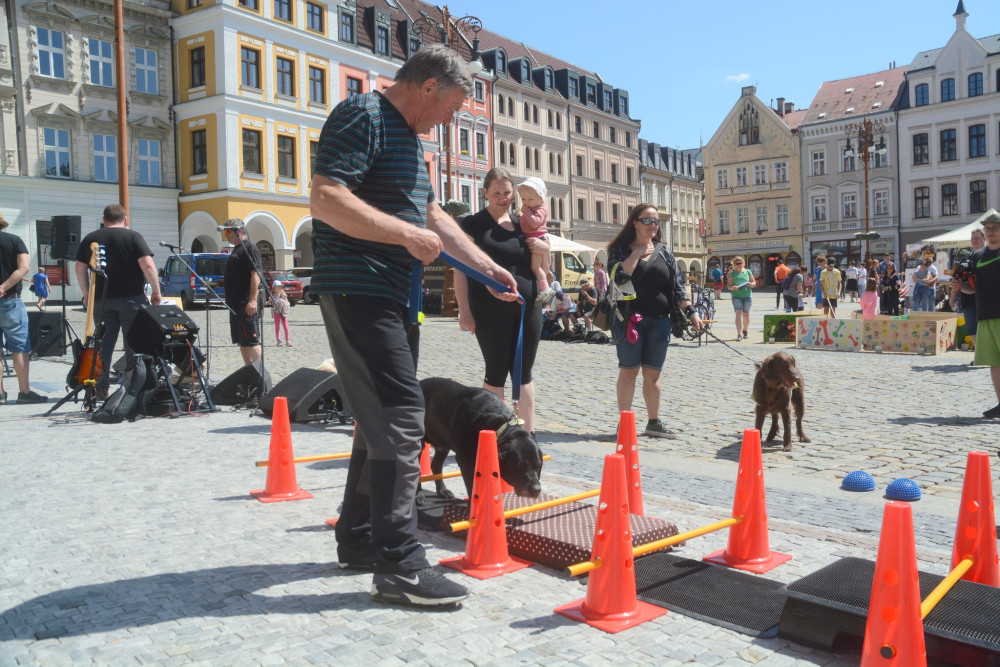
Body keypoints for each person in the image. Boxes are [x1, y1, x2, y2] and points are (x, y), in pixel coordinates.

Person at [309, 45, 518, 607]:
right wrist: (403, 235)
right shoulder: (363, 115)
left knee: (380, 419)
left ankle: (358, 539)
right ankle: (399, 564)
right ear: (427, 87)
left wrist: (485, 266)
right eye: (451, 108)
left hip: (394, 294)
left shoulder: (408, 137)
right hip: (358, 287)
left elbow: (430, 215)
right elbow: (326, 198)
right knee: (404, 416)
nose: (450, 121)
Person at [455, 166, 546, 430]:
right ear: (485, 193)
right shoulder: (473, 224)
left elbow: (542, 265)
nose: (502, 198)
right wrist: (464, 311)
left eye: (507, 193)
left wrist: (545, 248)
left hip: (527, 307)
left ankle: (527, 435)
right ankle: (493, 435)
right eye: (496, 193)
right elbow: (460, 270)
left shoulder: (522, 223)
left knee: (524, 372)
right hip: (488, 309)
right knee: (495, 371)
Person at [607, 203, 702, 439]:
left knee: (653, 374)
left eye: (656, 221)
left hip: (660, 321)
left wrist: (691, 311)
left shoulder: (664, 251)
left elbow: (676, 286)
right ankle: (624, 423)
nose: (653, 225)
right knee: (629, 371)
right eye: (647, 220)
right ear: (635, 222)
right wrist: (636, 254)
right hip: (629, 321)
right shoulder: (619, 250)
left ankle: (653, 422)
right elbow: (618, 282)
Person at [74, 204, 162, 399]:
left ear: (104, 220)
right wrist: (156, 291)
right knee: (134, 344)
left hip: (101, 300)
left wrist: (86, 293)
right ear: (125, 219)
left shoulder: (91, 238)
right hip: (131, 298)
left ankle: (100, 388)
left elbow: (79, 268)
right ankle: (132, 390)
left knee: (103, 345)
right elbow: (147, 265)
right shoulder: (133, 237)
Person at [0, 216, 47, 404]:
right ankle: (24, 393)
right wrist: (3, 287)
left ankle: (0, 394)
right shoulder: (14, 241)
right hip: (11, 301)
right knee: (19, 348)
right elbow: (24, 268)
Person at [970, 214, 1000, 418]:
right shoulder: (978, 256)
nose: (990, 232)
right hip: (985, 314)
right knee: (994, 362)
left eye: (995, 228)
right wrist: (960, 285)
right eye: (987, 228)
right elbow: (973, 286)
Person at [221, 219, 263, 365]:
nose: (226, 235)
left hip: (246, 303)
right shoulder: (237, 249)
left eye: (228, 231)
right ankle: (249, 371)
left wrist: (253, 300)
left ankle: (259, 373)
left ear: (239, 230)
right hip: (235, 304)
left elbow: (255, 274)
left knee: (251, 340)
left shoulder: (250, 247)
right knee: (242, 341)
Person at [517, 177, 553, 306]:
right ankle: (543, 287)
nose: (526, 202)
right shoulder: (532, 208)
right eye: (523, 199)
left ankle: (545, 289)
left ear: (540, 198)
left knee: (536, 267)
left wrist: (525, 211)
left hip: (538, 239)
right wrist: (521, 215)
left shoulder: (541, 209)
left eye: (530, 199)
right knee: (539, 267)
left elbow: (534, 223)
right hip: (535, 239)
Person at [950, 227, 985, 349]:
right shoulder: (966, 258)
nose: (974, 241)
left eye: (977, 238)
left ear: (984, 239)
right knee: (972, 329)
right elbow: (956, 279)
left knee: (986, 328)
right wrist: (952, 297)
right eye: (972, 239)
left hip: (986, 300)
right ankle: (978, 354)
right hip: (968, 300)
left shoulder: (989, 256)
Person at [726, 257, 755, 340]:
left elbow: (754, 282)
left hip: (747, 296)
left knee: (746, 315)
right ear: (734, 265)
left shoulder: (748, 271)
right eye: (737, 263)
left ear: (743, 263)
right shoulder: (732, 273)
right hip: (736, 296)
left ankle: (745, 330)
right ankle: (739, 334)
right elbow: (728, 286)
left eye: (740, 263)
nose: (739, 265)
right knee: (738, 313)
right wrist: (733, 287)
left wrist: (751, 284)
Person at [271, 281, 291, 347]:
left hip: (283, 313)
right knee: (277, 327)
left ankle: (288, 341)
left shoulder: (283, 294)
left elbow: (287, 302)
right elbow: (269, 302)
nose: (280, 287)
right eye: (279, 286)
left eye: (281, 286)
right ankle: (278, 340)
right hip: (276, 313)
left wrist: (283, 302)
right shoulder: (272, 295)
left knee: (286, 327)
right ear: (274, 287)